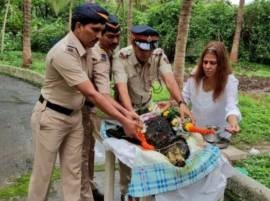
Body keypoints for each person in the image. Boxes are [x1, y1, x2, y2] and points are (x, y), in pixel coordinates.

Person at [27, 4, 141, 201]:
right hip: (51, 118)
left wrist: (126, 113)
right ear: (79, 26)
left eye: (100, 31)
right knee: (42, 176)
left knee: (75, 174)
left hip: (74, 117)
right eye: (95, 30)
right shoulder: (63, 51)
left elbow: (103, 94)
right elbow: (93, 95)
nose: (98, 36)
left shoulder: (89, 49)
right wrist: (124, 122)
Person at [112, 25, 193, 201]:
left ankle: (150, 190)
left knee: (156, 147)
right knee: (129, 153)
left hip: (148, 107)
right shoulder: (121, 57)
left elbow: (169, 79)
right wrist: (130, 115)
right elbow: (122, 88)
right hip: (127, 109)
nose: (146, 54)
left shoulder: (158, 55)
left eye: (149, 50)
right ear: (133, 43)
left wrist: (181, 102)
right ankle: (127, 192)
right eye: (142, 50)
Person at [81, 14, 138, 201]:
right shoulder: (96, 53)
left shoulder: (115, 52)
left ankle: (124, 190)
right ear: (100, 35)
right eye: (110, 36)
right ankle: (87, 191)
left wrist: (126, 111)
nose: (114, 41)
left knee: (119, 148)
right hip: (89, 108)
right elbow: (100, 94)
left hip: (108, 108)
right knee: (84, 152)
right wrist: (126, 114)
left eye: (117, 36)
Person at [182, 41, 241, 145]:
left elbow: (231, 106)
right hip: (196, 133)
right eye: (205, 62)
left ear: (221, 64)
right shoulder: (195, 76)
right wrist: (173, 103)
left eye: (213, 63)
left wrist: (233, 123)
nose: (207, 66)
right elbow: (184, 97)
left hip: (218, 137)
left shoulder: (229, 81)